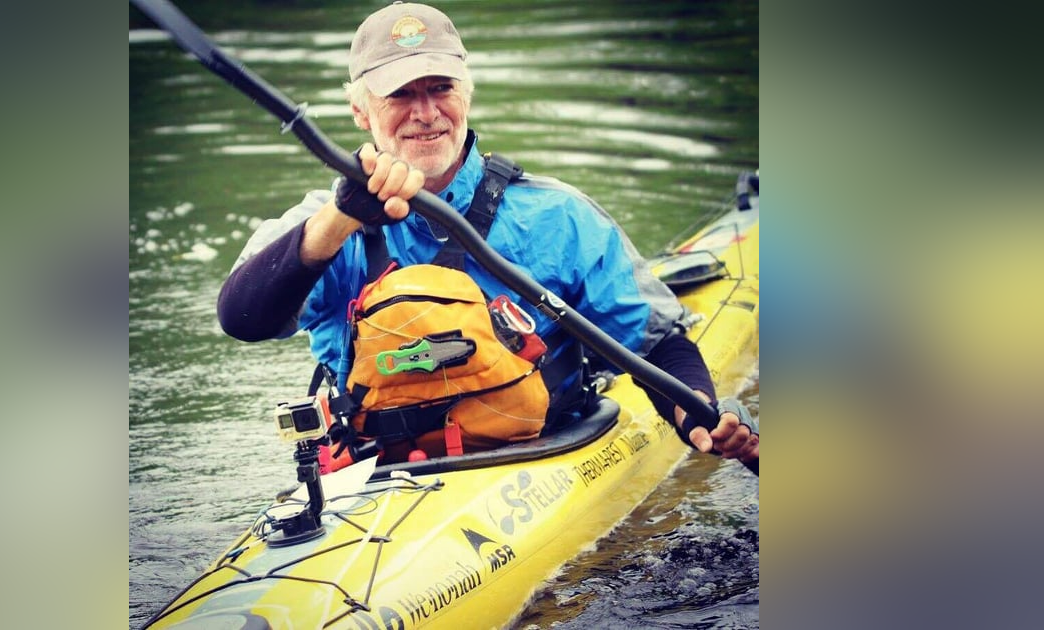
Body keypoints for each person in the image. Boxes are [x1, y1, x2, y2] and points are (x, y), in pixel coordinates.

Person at [218, 1, 758, 465]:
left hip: (542, 450)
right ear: (360, 111)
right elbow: (242, 318)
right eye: (400, 94)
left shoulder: (560, 217)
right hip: (375, 471)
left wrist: (701, 419)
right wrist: (342, 218)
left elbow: (657, 346)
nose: (426, 113)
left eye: (440, 88)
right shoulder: (324, 223)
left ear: (467, 93)